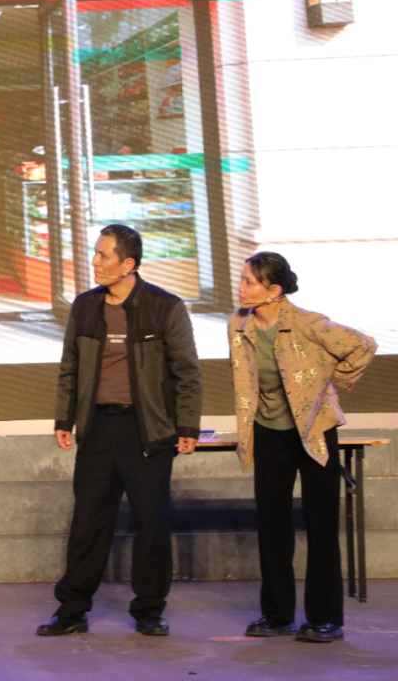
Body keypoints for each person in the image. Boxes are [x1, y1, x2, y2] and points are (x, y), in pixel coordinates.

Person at [39, 224, 202, 638]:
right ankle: (72, 610)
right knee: (88, 523)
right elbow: (70, 369)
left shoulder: (164, 307)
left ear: (128, 264)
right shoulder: (85, 306)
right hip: (97, 428)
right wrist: (64, 419)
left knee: (151, 523)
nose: (95, 262)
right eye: (95, 253)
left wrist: (187, 425)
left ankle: (149, 610)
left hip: (146, 431)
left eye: (103, 255)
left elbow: (186, 373)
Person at [230, 252, 376, 643]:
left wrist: (330, 380)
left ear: (274, 290)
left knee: (321, 523)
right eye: (242, 279)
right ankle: (277, 615)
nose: (241, 287)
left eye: (249, 282)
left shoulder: (308, 323)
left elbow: (363, 345)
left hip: (313, 430)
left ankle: (325, 619)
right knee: (272, 524)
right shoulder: (238, 325)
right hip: (269, 431)